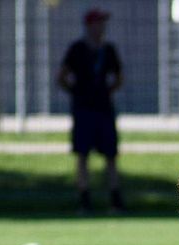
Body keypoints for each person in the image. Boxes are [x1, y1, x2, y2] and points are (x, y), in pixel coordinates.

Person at [57, 7, 125, 214]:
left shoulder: (108, 49)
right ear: (89, 25)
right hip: (83, 110)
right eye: (98, 22)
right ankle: (84, 200)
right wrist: (76, 92)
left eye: (103, 22)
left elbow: (119, 76)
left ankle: (115, 200)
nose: (102, 26)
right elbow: (62, 76)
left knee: (111, 155)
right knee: (82, 155)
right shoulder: (77, 49)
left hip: (104, 109)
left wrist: (108, 92)